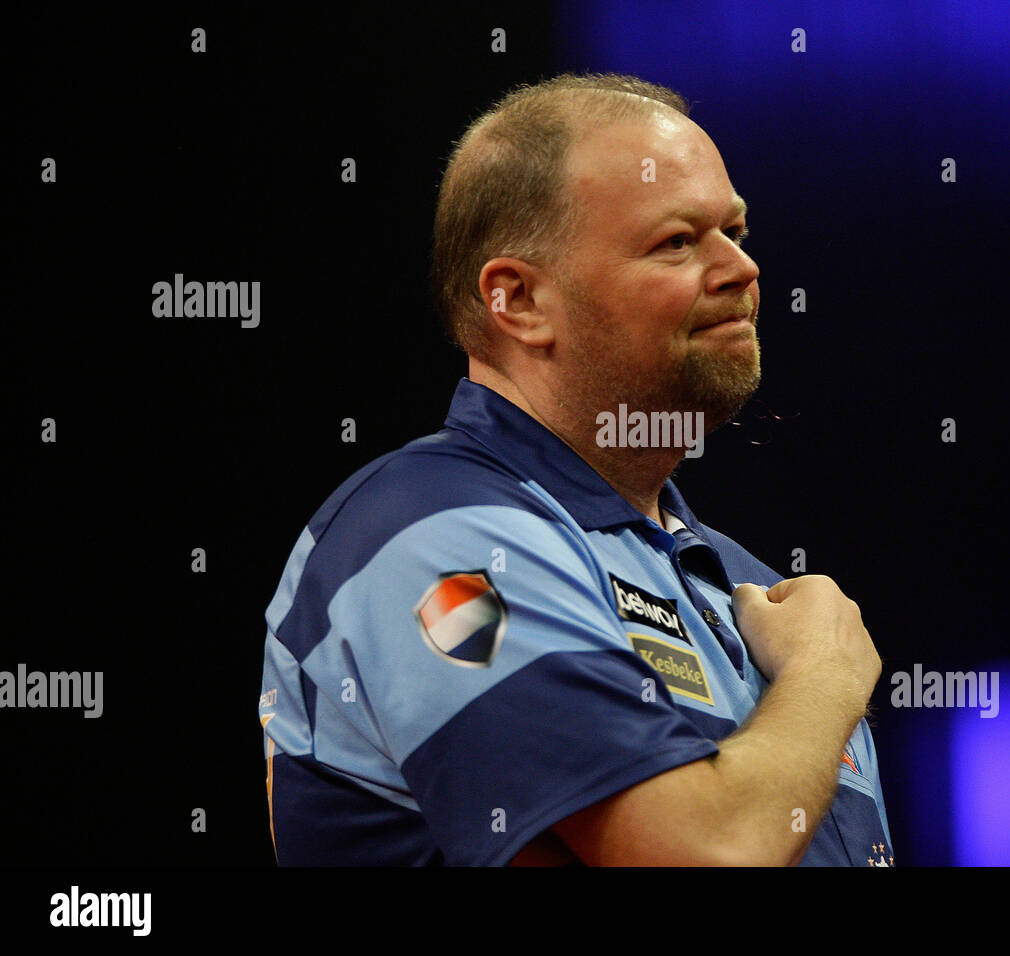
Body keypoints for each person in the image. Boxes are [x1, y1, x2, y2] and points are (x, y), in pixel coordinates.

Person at [257, 72, 895, 866]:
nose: (742, 269)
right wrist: (826, 676)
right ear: (519, 301)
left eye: (736, 232)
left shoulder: (748, 585)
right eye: (677, 242)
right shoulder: (433, 537)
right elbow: (707, 854)